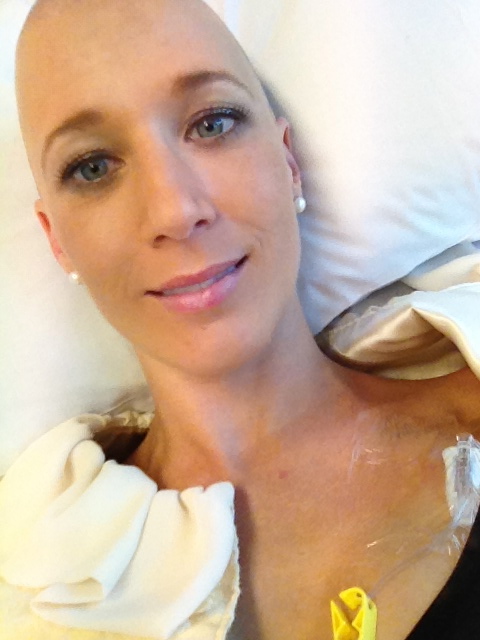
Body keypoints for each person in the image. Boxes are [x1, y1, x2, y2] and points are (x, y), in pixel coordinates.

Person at [3, 0, 480, 638]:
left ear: (289, 164)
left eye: (212, 123)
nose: (175, 211)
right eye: (93, 167)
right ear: (57, 241)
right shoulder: (35, 592)